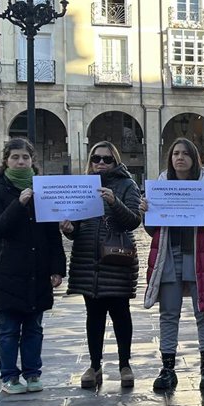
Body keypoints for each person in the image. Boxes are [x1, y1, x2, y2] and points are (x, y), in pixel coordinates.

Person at [141, 137, 204, 393]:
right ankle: (167, 369)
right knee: (168, 314)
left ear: (194, 159)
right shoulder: (159, 188)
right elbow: (151, 229)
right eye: (175, 153)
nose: (180, 157)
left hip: (199, 256)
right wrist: (146, 211)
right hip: (169, 255)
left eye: (185, 154)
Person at [0, 138, 66, 395]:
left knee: (34, 327)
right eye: (15, 157)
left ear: (33, 161)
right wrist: (18, 204)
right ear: (6, 160)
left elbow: (52, 234)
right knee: (8, 328)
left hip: (36, 270)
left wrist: (58, 268)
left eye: (25, 157)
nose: (21, 162)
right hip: (7, 270)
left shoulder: (43, 189)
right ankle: (9, 376)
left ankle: (32, 374)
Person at [60, 141, 143, 389]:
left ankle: (124, 365)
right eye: (97, 158)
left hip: (117, 258)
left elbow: (133, 221)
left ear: (115, 161)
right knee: (93, 315)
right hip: (87, 258)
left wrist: (115, 202)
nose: (101, 163)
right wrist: (68, 230)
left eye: (107, 159)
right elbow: (76, 226)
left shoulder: (127, 184)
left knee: (120, 313)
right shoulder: (82, 185)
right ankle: (94, 366)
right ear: (90, 161)